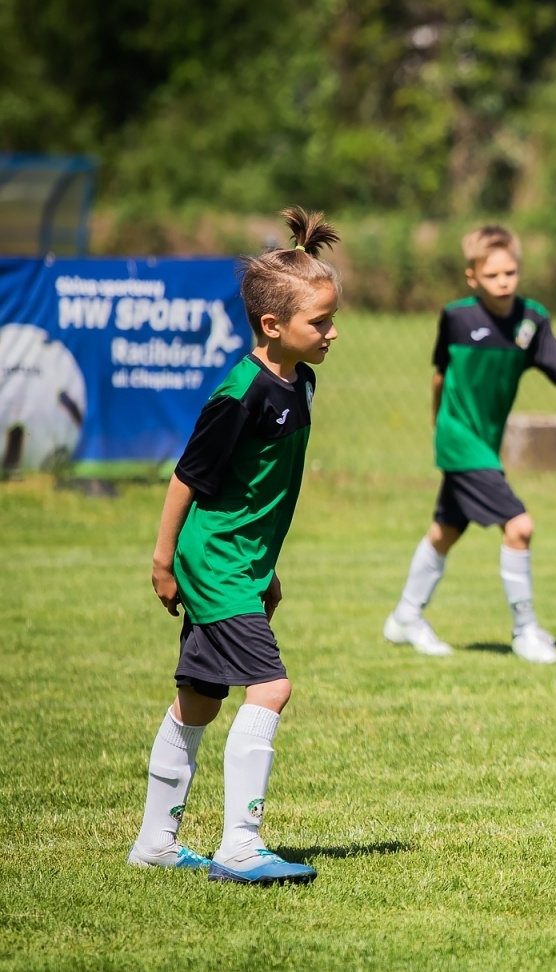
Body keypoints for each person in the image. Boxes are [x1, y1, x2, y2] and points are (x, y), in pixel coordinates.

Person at [128, 206, 340, 886]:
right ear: (273, 326)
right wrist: (163, 561)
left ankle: (156, 843)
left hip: (240, 565)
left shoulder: (298, 380)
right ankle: (240, 846)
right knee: (271, 688)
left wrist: (266, 569)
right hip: (214, 562)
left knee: (201, 697)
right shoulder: (241, 393)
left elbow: (258, 492)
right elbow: (188, 481)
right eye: (320, 322)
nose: (332, 332)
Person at [383, 225, 556, 663]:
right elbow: (439, 376)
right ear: (472, 277)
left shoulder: (531, 320)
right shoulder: (456, 317)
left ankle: (405, 617)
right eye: (492, 275)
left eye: (510, 272)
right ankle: (525, 631)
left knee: (446, 530)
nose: (503, 282)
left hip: (483, 443)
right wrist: (438, 425)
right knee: (519, 526)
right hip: (459, 439)